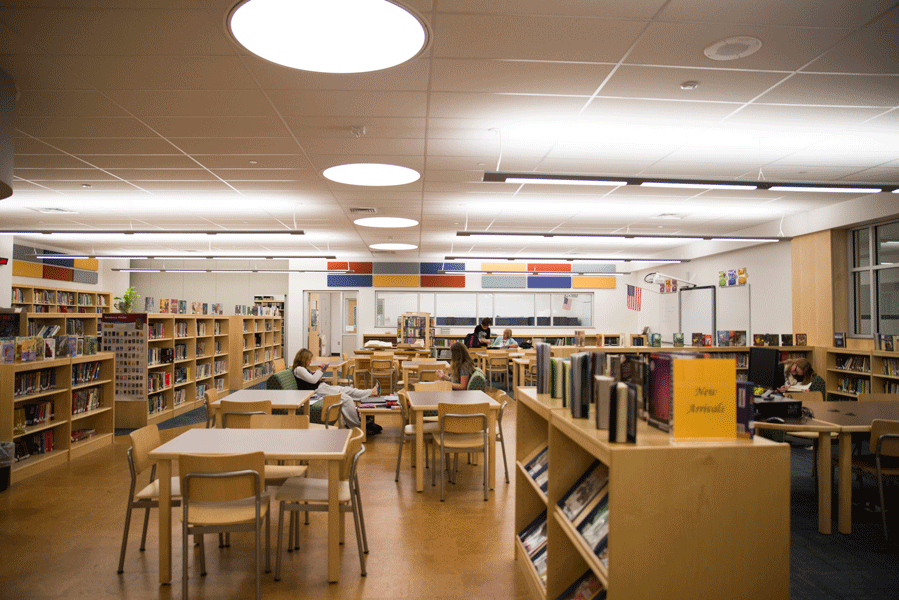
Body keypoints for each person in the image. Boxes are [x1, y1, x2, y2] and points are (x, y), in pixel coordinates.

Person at [292, 348, 379, 428]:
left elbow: (314, 379)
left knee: (348, 390)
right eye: (308, 360)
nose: (310, 362)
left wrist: (321, 371)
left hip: (322, 387)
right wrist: (320, 368)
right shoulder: (299, 369)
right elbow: (314, 380)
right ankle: (357, 426)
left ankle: (371, 392)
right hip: (318, 391)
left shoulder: (303, 369)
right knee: (347, 399)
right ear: (303, 359)